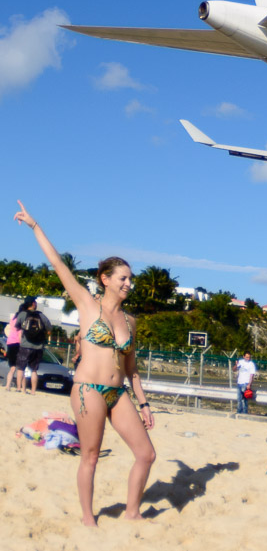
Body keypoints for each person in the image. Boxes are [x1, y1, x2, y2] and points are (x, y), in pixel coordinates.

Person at [14, 201, 156, 527]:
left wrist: (144, 403)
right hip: (88, 389)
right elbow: (57, 264)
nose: (128, 283)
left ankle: (132, 512)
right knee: (90, 455)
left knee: (146, 454)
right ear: (105, 279)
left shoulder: (131, 322)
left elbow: (131, 369)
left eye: (131, 279)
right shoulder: (87, 305)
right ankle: (88, 518)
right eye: (123, 278)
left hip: (118, 393)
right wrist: (35, 226)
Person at [13, 296, 50, 394]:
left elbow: (17, 327)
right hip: (38, 346)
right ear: (33, 303)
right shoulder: (41, 315)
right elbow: (49, 327)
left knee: (21, 368)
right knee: (34, 370)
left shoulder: (22, 314)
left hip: (25, 345)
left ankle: (19, 388)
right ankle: (33, 391)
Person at [4, 302, 23, 391]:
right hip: (17, 343)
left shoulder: (13, 318)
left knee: (12, 367)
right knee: (20, 368)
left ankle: (8, 386)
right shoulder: (21, 320)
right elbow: (19, 333)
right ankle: (21, 388)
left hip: (10, 342)